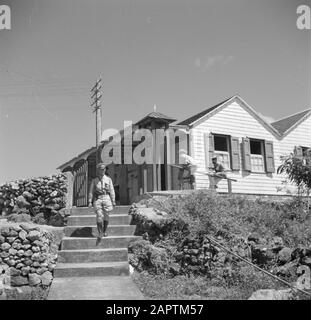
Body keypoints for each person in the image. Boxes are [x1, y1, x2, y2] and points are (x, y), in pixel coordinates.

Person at [88, 163, 116, 239]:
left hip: (106, 197)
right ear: (98, 170)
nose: (102, 170)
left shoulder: (108, 179)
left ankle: (105, 231)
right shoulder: (94, 180)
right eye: (101, 169)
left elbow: (112, 190)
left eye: (104, 169)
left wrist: (113, 200)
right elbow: (91, 191)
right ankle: (100, 232)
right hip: (98, 198)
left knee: (106, 215)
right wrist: (90, 201)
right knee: (99, 215)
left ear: (105, 169)